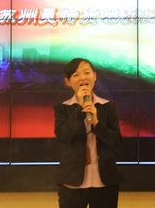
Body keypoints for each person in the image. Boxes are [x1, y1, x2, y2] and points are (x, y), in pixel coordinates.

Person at [54, 58, 122, 208]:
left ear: (94, 76)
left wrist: (96, 122)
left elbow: (115, 141)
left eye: (87, 72)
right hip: (72, 182)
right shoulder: (62, 108)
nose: (83, 78)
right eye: (76, 75)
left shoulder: (108, 106)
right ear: (67, 81)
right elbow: (64, 137)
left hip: (105, 182)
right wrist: (79, 108)